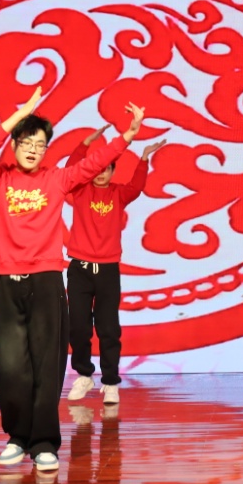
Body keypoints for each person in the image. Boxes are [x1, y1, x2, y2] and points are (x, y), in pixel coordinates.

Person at [0, 87, 144, 474]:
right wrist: (21, 115)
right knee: (7, 369)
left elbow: (93, 163)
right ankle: (17, 436)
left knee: (46, 367)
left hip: (47, 282)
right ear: (14, 144)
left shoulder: (57, 179)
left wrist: (127, 136)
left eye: (40, 144)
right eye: (26, 142)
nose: (33, 149)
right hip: (7, 283)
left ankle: (42, 443)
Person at [64, 125, 165, 405]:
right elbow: (71, 169)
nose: (100, 173)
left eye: (106, 169)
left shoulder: (119, 194)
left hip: (107, 271)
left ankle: (110, 382)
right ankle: (84, 375)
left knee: (108, 328)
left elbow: (137, 186)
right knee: (78, 327)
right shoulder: (80, 190)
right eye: (97, 169)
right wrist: (84, 144)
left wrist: (144, 159)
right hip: (80, 269)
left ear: (112, 171)